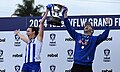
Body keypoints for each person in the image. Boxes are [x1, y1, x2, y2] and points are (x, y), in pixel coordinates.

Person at [62, 6, 110, 72]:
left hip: (87, 67)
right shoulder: (77, 36)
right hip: (76, 66)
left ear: (92, 30)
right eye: (85, 26)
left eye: (89, 25)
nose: (86, 26)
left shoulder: (94, 39)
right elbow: (69, 28)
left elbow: (104, 35)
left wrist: (107, 24)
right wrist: (65, 15)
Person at [14, 4, 52, 72]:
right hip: (26, 64)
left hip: (34, 64)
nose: (26, 33)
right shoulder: (29, 41)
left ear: (33, 32)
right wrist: (18, 33)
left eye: (28, 31)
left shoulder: (38, 39)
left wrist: (46, 11)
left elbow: (41, 24)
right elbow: (22, 37)